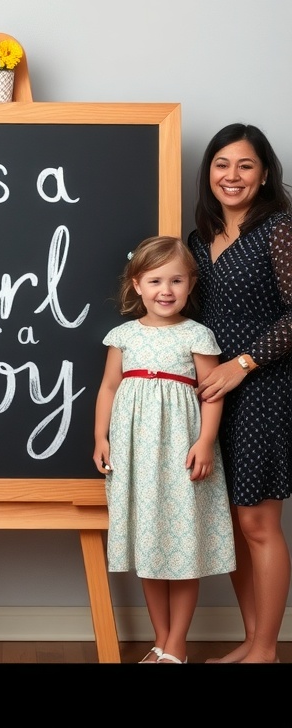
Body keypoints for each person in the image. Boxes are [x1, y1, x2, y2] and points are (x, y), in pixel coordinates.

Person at [93, 236, 236, 664]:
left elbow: (212, 393)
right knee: (149, 548)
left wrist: (205, 442)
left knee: (182, 549)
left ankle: (177, 645)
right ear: (137, 285)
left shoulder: (197, 335)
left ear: (190, 284)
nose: (166, 290)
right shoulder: (123, 335)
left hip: (181, 453)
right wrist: (101, 437)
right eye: (155, 281)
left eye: (176, 280)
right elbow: (109, 387)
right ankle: (161, 641)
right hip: (135, 456)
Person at [188, 123, 292, 664]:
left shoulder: (279, 229)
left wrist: (243, 364)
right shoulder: (197, 238)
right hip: (212, 394)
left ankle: (266, 649)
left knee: (258, 522)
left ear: (265, 173)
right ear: (209, 171)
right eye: (222, 164)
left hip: (265, 389)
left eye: (245, 165)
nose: (232, 175)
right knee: (231, 524)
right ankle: (253, 642)